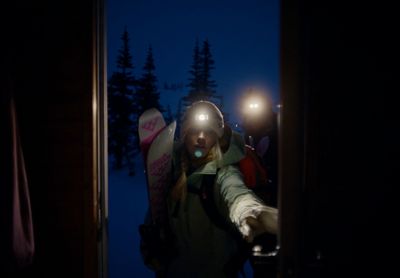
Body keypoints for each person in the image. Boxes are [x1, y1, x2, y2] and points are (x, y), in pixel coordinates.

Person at [140, 100, 278, 278]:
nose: (201, 137)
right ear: (184, 135)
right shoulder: (169, 173)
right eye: (194, 131)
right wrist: (151, 253)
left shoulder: (224, 173)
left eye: (209, 132)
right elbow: (154, 218)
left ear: (217, 138)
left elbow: (236, 193)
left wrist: (250, 211)